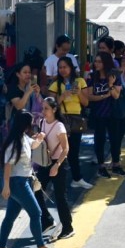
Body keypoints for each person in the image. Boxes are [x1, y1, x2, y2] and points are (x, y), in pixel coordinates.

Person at [0, 111, 58, 248]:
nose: (32, 126)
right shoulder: (15, 143)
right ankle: (41, 246)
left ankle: (1, 247)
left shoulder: (23, 138)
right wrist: (6, 186)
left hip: (22, 181)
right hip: (18, 182)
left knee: (10, 217)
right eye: (31, 123)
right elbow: (7, 165)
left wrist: (40, 138)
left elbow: (33, 145)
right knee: (36, 213)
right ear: (25, 124)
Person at [33, 97, 74, 240]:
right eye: (42, 108)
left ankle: (68, 227)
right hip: (46, 162)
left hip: (59, 163)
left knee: (60, 196)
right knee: (36, 189)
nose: (43, 111)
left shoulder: (59, 127)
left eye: (46, 108)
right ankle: (47, 220)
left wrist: (57, 165)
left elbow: (66, 148)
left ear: (54, 110)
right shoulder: (42, 122)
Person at [50, 56, 91, 189]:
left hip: (76, 119)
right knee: (57, 151)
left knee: (73, 150)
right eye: (60, 67)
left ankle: (76, 178)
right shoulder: (56, 84)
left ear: (71, 68)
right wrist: (62, 96)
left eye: (65, 67)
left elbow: (86, 102)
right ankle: (54, 179)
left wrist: (78, 93)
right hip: (61, 120)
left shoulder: (80, 81)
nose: (62, 70)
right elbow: (50, 104)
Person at [86, 52, 125, 178]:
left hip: (113, 113)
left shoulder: (114, 76)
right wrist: (104, 95)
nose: (96, 64)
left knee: (115, 139)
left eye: (99, 62)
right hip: (98, 113)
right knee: (100, 140)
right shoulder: (92, 76)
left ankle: (116, 164)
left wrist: (110, 85)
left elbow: (116, 95)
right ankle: (101, 166)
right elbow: (90, 96)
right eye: (95, 61)